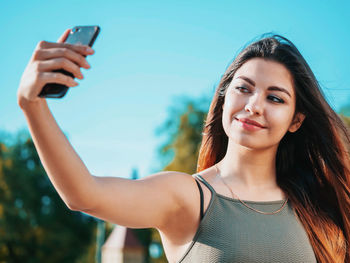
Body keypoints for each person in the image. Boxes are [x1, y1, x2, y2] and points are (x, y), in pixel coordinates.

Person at [17, 29, 349, 263]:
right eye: (243, 88)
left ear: (296, 120)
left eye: (275, 97)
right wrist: (31, 104)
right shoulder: (188, 196)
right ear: (223, 97)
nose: (253, 105)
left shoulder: (314, 206)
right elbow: (83, 194)